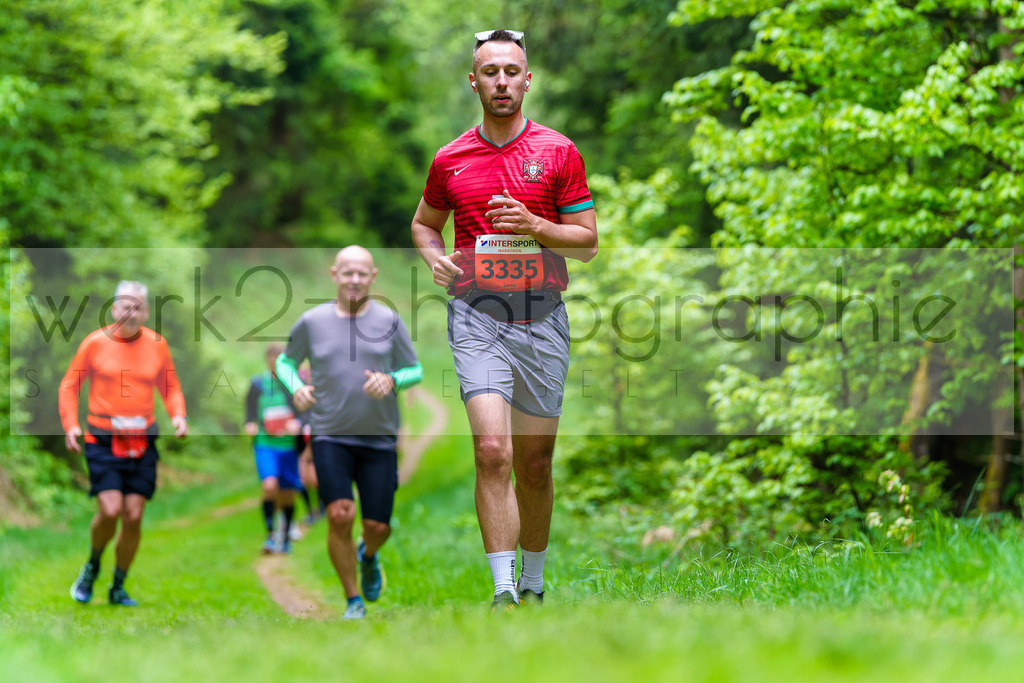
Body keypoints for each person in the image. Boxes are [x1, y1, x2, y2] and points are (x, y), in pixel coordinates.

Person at [411, 29, 598, 610]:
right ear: (474, 81)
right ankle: (504, 591)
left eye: (511, 71)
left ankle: (535, 580)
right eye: (489, 72)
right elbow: (423, 223)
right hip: (477, 315)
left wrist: (536, 227)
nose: (501, 81)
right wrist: (436, 260)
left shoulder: (558, 152)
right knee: (493, 449)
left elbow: (587, 243)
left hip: (542, 319)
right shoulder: (450, 158)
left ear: (527, 79)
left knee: (535, 464)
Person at [275, 246, 422, 620]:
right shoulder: (312, 321)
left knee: (377, 525)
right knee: (339, 515)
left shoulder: (390, 320)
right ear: (334, 275)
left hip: (379, 437)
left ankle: (368, 554)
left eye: (361, 273)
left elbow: (414, 370)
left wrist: (392, 380)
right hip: (329, 433)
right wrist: (296, 387)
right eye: (347, 273)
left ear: (373, 276)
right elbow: (285, 361)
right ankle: (353, 599)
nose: (354, 279)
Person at [59, 280, 189, 606]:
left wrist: (179, 415)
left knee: (133, 515)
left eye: (138, 306)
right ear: (114, 308)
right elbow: (69, 386)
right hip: (102, 438)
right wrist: (71, 425)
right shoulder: (95, 343)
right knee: (110, 508)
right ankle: (92, 565)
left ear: (146, 311)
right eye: (125, 305)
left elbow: (170, 387)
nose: (131, 311)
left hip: (142, 439)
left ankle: (117, 585)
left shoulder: (157, 344)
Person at [244, 342, 304, 554]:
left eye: (279, 358)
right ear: (267, 359)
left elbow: (306, 410)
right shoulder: (258, 384)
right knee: (269, 486)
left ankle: (286, 535)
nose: (275, 362)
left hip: (288, 446)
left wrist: (299, 422)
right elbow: (250, 411)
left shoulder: (295, 384)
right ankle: (270, 535)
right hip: (265, 443)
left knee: (287, 493)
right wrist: (250, 424)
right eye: (272, 357)